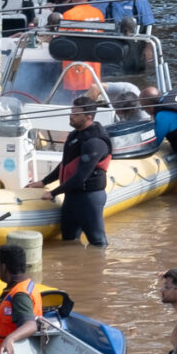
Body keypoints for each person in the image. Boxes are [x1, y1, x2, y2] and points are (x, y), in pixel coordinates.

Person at [52, 93, 113, 247]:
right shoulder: (76, 134)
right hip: (71, 197)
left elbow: (80, 177)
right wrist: (43, 182)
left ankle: (99, 268)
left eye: (76, 114)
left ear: (88, 117)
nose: (71, 116)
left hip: (89, 198)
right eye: (71, 112)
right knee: (69, 240)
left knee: (97, 241)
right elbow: (65, 164)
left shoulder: (95, 142)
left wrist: (52, 193)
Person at [0, 244, 45, 354]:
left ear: (3, 267)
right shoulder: (23, 286)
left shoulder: (20, 295)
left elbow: (30, 325)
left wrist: (10, 338)